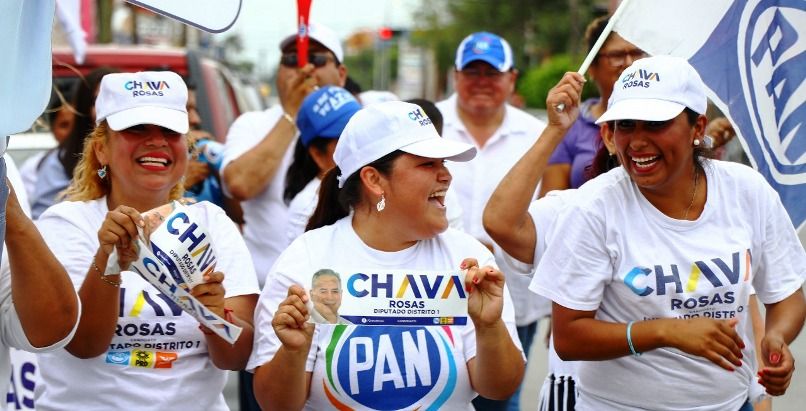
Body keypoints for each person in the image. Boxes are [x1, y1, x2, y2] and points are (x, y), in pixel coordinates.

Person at [531, 56, 806, 410]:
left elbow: (786, 292)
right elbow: (569, 337)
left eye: (656, 124)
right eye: (626, 125)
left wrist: (776, 338)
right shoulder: (594, 207)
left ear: (697, 128)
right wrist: (665, 332)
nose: (638, 141)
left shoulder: (746, 190)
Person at [248, 101, 525, 410]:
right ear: (374, 180)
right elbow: (275, 404)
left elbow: (500, 388)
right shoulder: (306, 261)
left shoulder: (467, 259)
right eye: (427, 164)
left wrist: (489, 328)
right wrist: (293, 352)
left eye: (443, 163)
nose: (446, 175)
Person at [33, 71, 260, 410]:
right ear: (101, 149)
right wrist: (108, 262)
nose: (156, 141)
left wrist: (215, 316)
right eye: (136, 129)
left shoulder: (212, 223)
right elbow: (83, 345)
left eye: (170, 131)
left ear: (186, 147)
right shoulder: (66, 224)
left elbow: (237, 357)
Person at [436, 31, 546, 410]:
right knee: (442, 395)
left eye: (492, 73)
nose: (481, 82)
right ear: (455, 75)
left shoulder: (535, 134)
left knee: (501, 397)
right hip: (438, 296)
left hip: (515, 296)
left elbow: (546, 211)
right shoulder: (429, 129)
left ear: (511, 78)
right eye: (472, 72)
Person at [221, 23, 347, 286]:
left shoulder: (359, 124)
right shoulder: (252, 124)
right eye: (292, 59)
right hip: (263, 288)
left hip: (337, 293)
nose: (305, 68)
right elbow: (239, 185)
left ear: (341, 74)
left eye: (316, 58)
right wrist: (292, 115)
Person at [539, 16, 647, 195]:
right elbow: (549, 205)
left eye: (636, 53)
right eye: (617, 55)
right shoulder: (569, 125)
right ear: (592, 68)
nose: (629, 63)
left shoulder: (667, 119)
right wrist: (554, 128)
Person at [30, 66, 119, 219]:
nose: (107, 110)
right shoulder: (59, 162)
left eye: (117, 100)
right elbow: (41, 220)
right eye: (96, 102)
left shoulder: (150, 151)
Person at [284, 86, 361, 244]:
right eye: (345, 139)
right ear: (317, 154)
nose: (358, 144)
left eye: (360, 132)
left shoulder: (366, 184)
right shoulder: (309, 205)